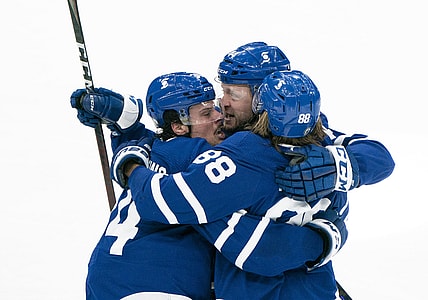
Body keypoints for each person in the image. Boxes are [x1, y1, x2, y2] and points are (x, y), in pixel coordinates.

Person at [71, 72, 342, 300]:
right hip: (159, 282)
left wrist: (126, 129)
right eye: (205, 112)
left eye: (214, 105)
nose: (218, 116)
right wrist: (324, 236)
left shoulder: (157, 149)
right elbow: (168, 199)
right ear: (177, 126)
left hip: (103, 278)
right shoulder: (202, 155)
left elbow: (144, 149)